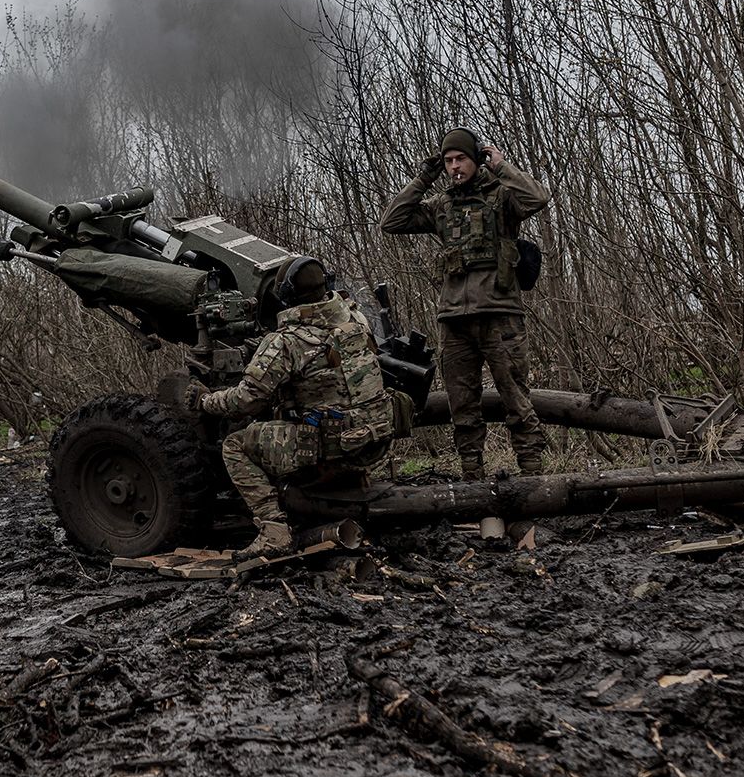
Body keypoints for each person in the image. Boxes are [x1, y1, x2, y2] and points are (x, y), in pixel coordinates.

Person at [186, 256, 407, 558]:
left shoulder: (286, 342)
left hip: (332, 447)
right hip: (376, 437)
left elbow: (244, 401)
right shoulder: (356, 319)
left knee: (236, 445)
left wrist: (205, 401)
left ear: (287, 297)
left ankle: (273, 531)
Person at [380, 127, 549, 479]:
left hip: (500, 315)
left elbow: (538, 198)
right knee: (462, 403)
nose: (455, 167)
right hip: (454, 318)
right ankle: (472, 473)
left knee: (515, 396)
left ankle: (532, 474)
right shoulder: (442, 205)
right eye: (449, 161)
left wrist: (501, 166)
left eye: (461, 159)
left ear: (476, 160)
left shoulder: (503, 198)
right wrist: (424, 177)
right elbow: (392, 221)